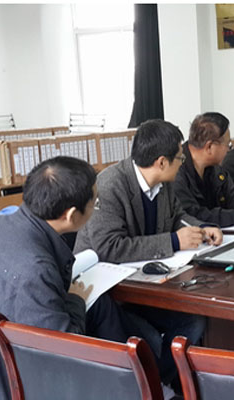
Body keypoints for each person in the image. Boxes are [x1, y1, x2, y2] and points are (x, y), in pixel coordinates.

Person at [0, 156, 136, 399]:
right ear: (71, 215)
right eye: (95, 202)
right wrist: (75, 299)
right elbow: (60, 353)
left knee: (100, 308)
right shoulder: (35, 270)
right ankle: (135, 386)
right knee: (97, 315)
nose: (97, 207)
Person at [74, 119, 219, 388]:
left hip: (147, 283)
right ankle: (150, 386)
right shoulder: (110, 185)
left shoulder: (164, 182)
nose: (182, 163)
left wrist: (201, 228)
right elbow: (109, 247)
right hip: (109, 293)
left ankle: (159, 384)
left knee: (194, 322)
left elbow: (177, 216)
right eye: (180, 158)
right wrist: (174, 241)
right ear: (161, 162)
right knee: (150, 339)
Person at [174, 112, 234, 227]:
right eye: (228, 145)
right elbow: (194, 215)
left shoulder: (215, 167)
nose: (229, 150)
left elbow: (232, 192)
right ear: (209, 147)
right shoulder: (176, 171)